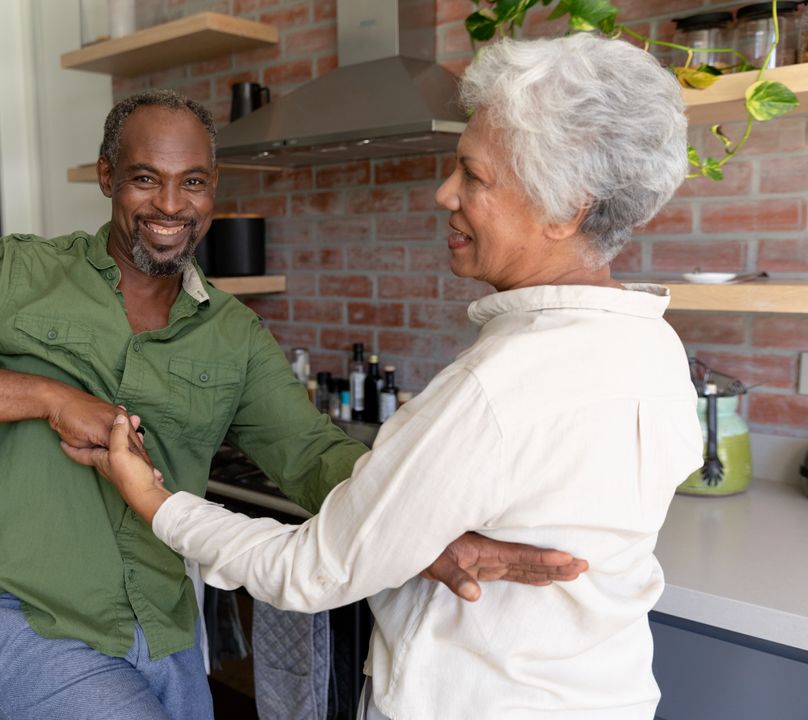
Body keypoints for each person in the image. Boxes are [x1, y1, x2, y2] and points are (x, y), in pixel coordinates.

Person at [0, 88, 586, 719]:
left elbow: (314, 456)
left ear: (213, 189)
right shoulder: (16, 273)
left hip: (164, 630)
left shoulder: (231, 335)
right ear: (105, 177)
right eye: (144, 179)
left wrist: (420, 530)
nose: (170, 204)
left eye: (191, 182)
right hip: (27, 617)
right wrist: (48, 396)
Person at [73, 35, 702, 720]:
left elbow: (311, 568)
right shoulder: (653, 345)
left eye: (475, 176)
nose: (444, 193)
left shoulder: (499, 387)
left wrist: (154, 499)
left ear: (565, 209)